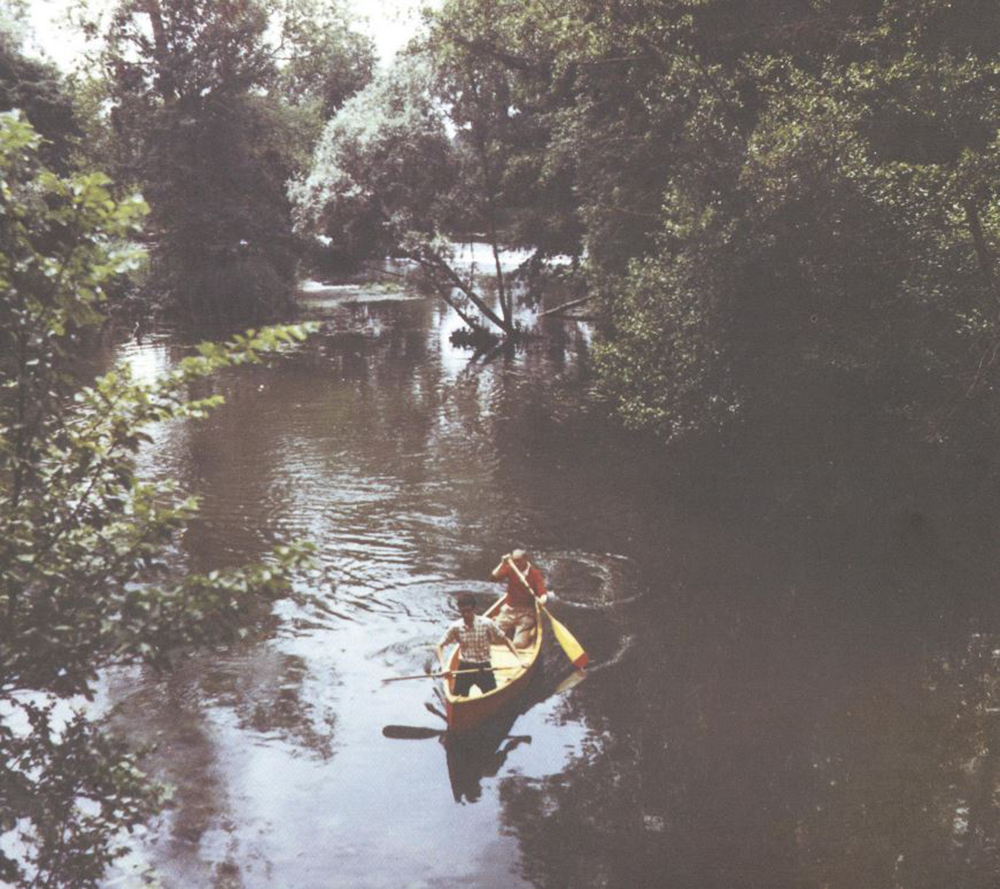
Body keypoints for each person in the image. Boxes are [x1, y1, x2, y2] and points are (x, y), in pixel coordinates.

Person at [436, 592, 524, 697]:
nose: (466, 614)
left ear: (474, 609)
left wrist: (520, 660)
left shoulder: (487, 623)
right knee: (457, 697)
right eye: (463, 611)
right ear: (459, 610)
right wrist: (444, 667)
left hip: (484, 668)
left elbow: (506, 640)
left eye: (468, 611)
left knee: (492, 696)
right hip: (465, 667)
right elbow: (439, 646)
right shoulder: (456, 627)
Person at [491, 549, 548, 649]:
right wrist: (502, 563)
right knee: (492, 639)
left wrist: (542, 600)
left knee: (519, 644)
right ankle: (506, 628)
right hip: (509, 610)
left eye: (518, 560)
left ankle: (526, 631)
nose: (516, 563)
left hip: (526, 613)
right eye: (514, 560)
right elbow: (493, 578)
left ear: (526, 559)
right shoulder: (510, 568)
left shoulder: (535, 574)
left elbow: (543, 593)